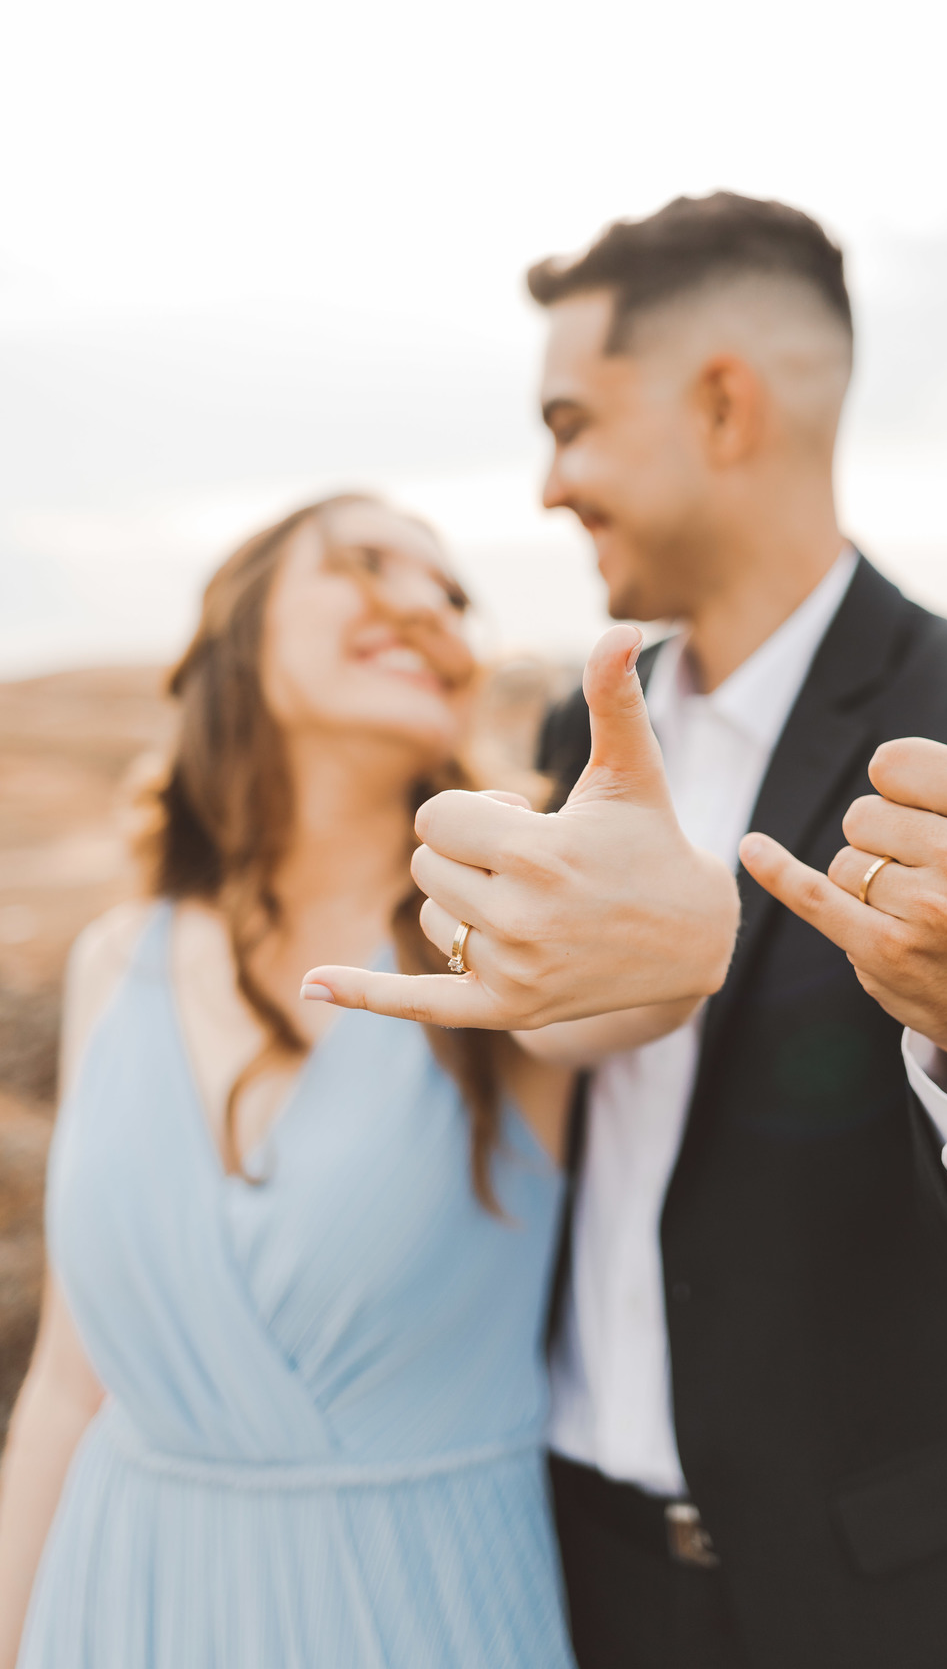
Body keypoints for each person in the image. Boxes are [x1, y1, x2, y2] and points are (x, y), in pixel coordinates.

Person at [314, 196, 947, 1669]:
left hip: (896, 1602)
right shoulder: (579, 721)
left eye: (572, 422)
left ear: (721, 404)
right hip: (575, 1572)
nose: (552, 482)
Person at [0, 493, 739, 1669]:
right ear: (240, 632)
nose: (423, 604)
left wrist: (694, 930)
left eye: (451, 593)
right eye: (365, 564)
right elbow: (65, 1390)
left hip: (417, 1612)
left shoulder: (495, 940)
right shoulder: (116, 958)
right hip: (116, 1595)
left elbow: (619, 1000)